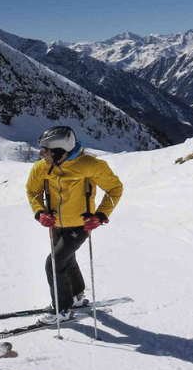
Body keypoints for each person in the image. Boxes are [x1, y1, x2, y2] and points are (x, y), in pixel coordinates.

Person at [26, 126, 123, 324]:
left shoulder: (90, 165)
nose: (41, 153)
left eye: (46, 150)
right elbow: (33, 192)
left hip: (80, 226)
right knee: (66, 260)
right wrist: (40, 212)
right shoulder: (41, 168)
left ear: (60, 151)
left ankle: (62, 311)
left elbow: (115, 189)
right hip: (56, 225)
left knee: (53, 263)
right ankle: (77, 297)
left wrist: (101, 215)